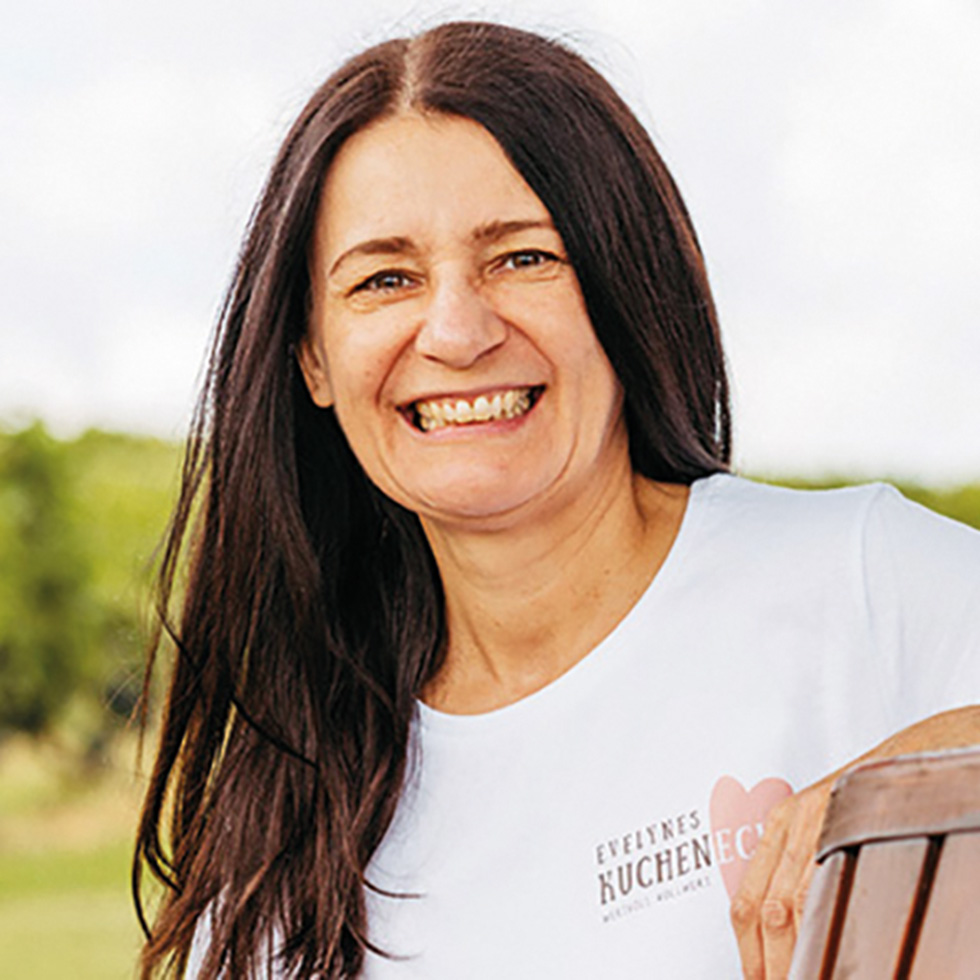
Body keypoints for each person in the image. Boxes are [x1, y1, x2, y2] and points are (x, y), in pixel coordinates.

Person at [133, 20, 980, 980]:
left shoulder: (862, 582)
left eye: (524, 258)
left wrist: (926, 783)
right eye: (385, 279)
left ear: (627, 286)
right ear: (313, 359)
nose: (454, 330)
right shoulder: (284, 837)